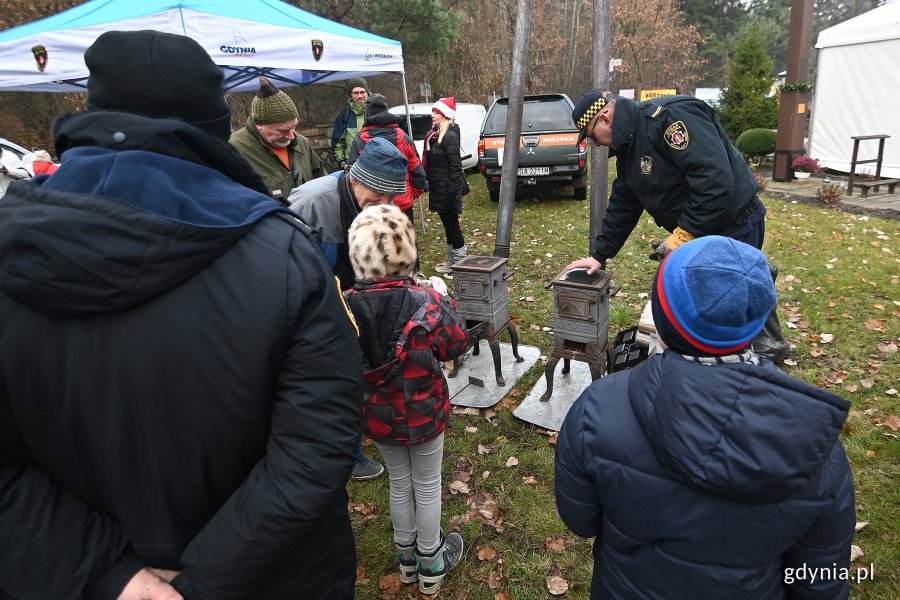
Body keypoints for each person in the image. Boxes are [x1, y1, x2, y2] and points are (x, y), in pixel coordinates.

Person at [0, 30, 362, 600]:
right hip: (272, 579)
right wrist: (199, 584)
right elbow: (317, 445)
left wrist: (113, 576)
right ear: (218, 129)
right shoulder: (287, 257)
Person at [555, 236, 855, 599]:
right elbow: (819, 577)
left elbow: (581, 520)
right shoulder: (816, 446)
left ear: (662, 319)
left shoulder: (598, 407)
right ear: (758, 321)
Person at [565, 89, 787, 362]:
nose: (596, 145)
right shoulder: (630, 148)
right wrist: (600, 254)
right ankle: (724, 348)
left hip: (734, 221)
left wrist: (685, 233)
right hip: (702, 227)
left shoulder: (671, 119)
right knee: (713, 292)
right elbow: (624, 203)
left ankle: (764, 351)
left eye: (591, 135)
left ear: (606, 119)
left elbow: (715, 182)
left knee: (733, 292)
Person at [343, 204, 468, 595]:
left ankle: (407, 560)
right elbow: (455, 344)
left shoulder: (342, 305)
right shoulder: (425, 300)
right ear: (406, 251)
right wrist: (445, 301)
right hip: (424, 411)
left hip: (377, 416)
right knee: (427, 484)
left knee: (399, 482)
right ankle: (431, 561)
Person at [290, 136, 409, 480]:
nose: (386, 204)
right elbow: (300, 273)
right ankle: (347, 454)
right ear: (356, 178)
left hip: (349, 291)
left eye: (391, 197)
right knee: (333, 378)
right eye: (380, 195)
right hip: (313, 301)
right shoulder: (314, 204)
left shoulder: (375, 203)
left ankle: (357, 433)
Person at [229, 76, 324, 202]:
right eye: (282, 131)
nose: (291, 136)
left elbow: (323, 185)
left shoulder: (301, 143)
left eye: (294, 127)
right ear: (259, 125)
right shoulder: (233, 149)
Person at [348, 93, 427, 232]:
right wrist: (409, 196)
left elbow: (352, 176)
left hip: (374, 208)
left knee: (379, 247)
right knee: (407, 247)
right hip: (403, 205)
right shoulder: (404, 138)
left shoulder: (360, 140)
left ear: (367, 115)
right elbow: (417, 171)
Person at [424, 97, 467, 274]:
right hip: (439, 188)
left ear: (445, 115)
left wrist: (451, 193)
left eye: (436, 112)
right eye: (433, 112)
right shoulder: (435, 135)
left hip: (447, 190)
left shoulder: (449, 136)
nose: (433, 115)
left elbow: (455, 167)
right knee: (448, 226)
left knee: (452, 226)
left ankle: (460, 265)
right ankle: (452, 263)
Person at [332, 77, 369, 169]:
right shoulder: (344, 115)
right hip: (352, 167)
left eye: (362, 92)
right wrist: (343, 163)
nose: (359, 96)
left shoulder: (376, 112)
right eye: (356, 93)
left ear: (367, 93)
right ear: (350, 95)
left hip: (374, 165)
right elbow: (337, 143)